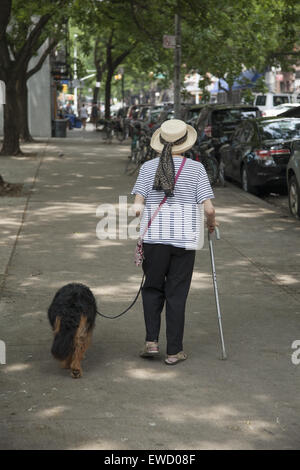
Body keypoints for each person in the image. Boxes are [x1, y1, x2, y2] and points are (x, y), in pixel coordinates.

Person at [131, 119, 217, 365]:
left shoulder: (148, 168)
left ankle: (151, 342)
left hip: (154, 240)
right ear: (186, 143)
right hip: (184, 240)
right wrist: (211, 224)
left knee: (152, 288)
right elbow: (209, 209)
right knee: (177, 294)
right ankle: (174, 351)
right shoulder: (196, 169)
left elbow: (137, 207)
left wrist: (145, 211)